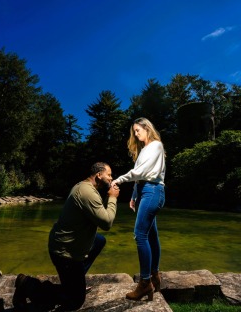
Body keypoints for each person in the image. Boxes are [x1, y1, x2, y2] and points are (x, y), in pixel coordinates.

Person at [13, 162, 119, 311]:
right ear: (99, 175)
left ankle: (75, 281)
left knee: (99, 240)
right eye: (109, 174)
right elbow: (107, 223)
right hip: (64, 252)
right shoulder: (86, 192)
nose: (111, 178)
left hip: (67, 245)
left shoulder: (85, 187)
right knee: (75, 301)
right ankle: (27, 284)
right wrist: (113, 198)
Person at [111, 117, 166, 301]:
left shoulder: (156, 146)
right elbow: (140, 175)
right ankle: (155, 275)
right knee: (151, 235)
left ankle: (145, 283)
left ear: (147, 128)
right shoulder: (144, 150)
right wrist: (134, 195)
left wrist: (119, 179)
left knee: (139, 234)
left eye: (137, 130)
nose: (135, 134)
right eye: (133, 131)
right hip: (145, 191)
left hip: (153, 191)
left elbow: (142, 173)